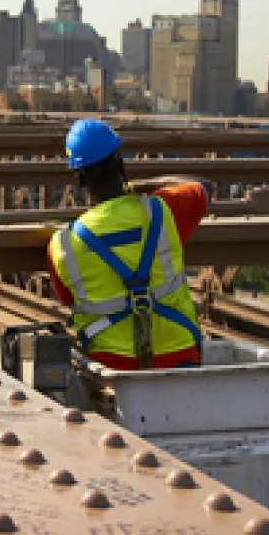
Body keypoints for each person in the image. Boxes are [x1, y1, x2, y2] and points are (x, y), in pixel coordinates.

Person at [48, 119, 208, 370]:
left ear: (80, 179)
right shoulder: (163, 210)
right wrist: (134, 187)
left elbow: (67, 298)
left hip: (111, 368)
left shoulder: (63, 244)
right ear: (121, 164)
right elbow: (202, 187)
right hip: (179, 357)